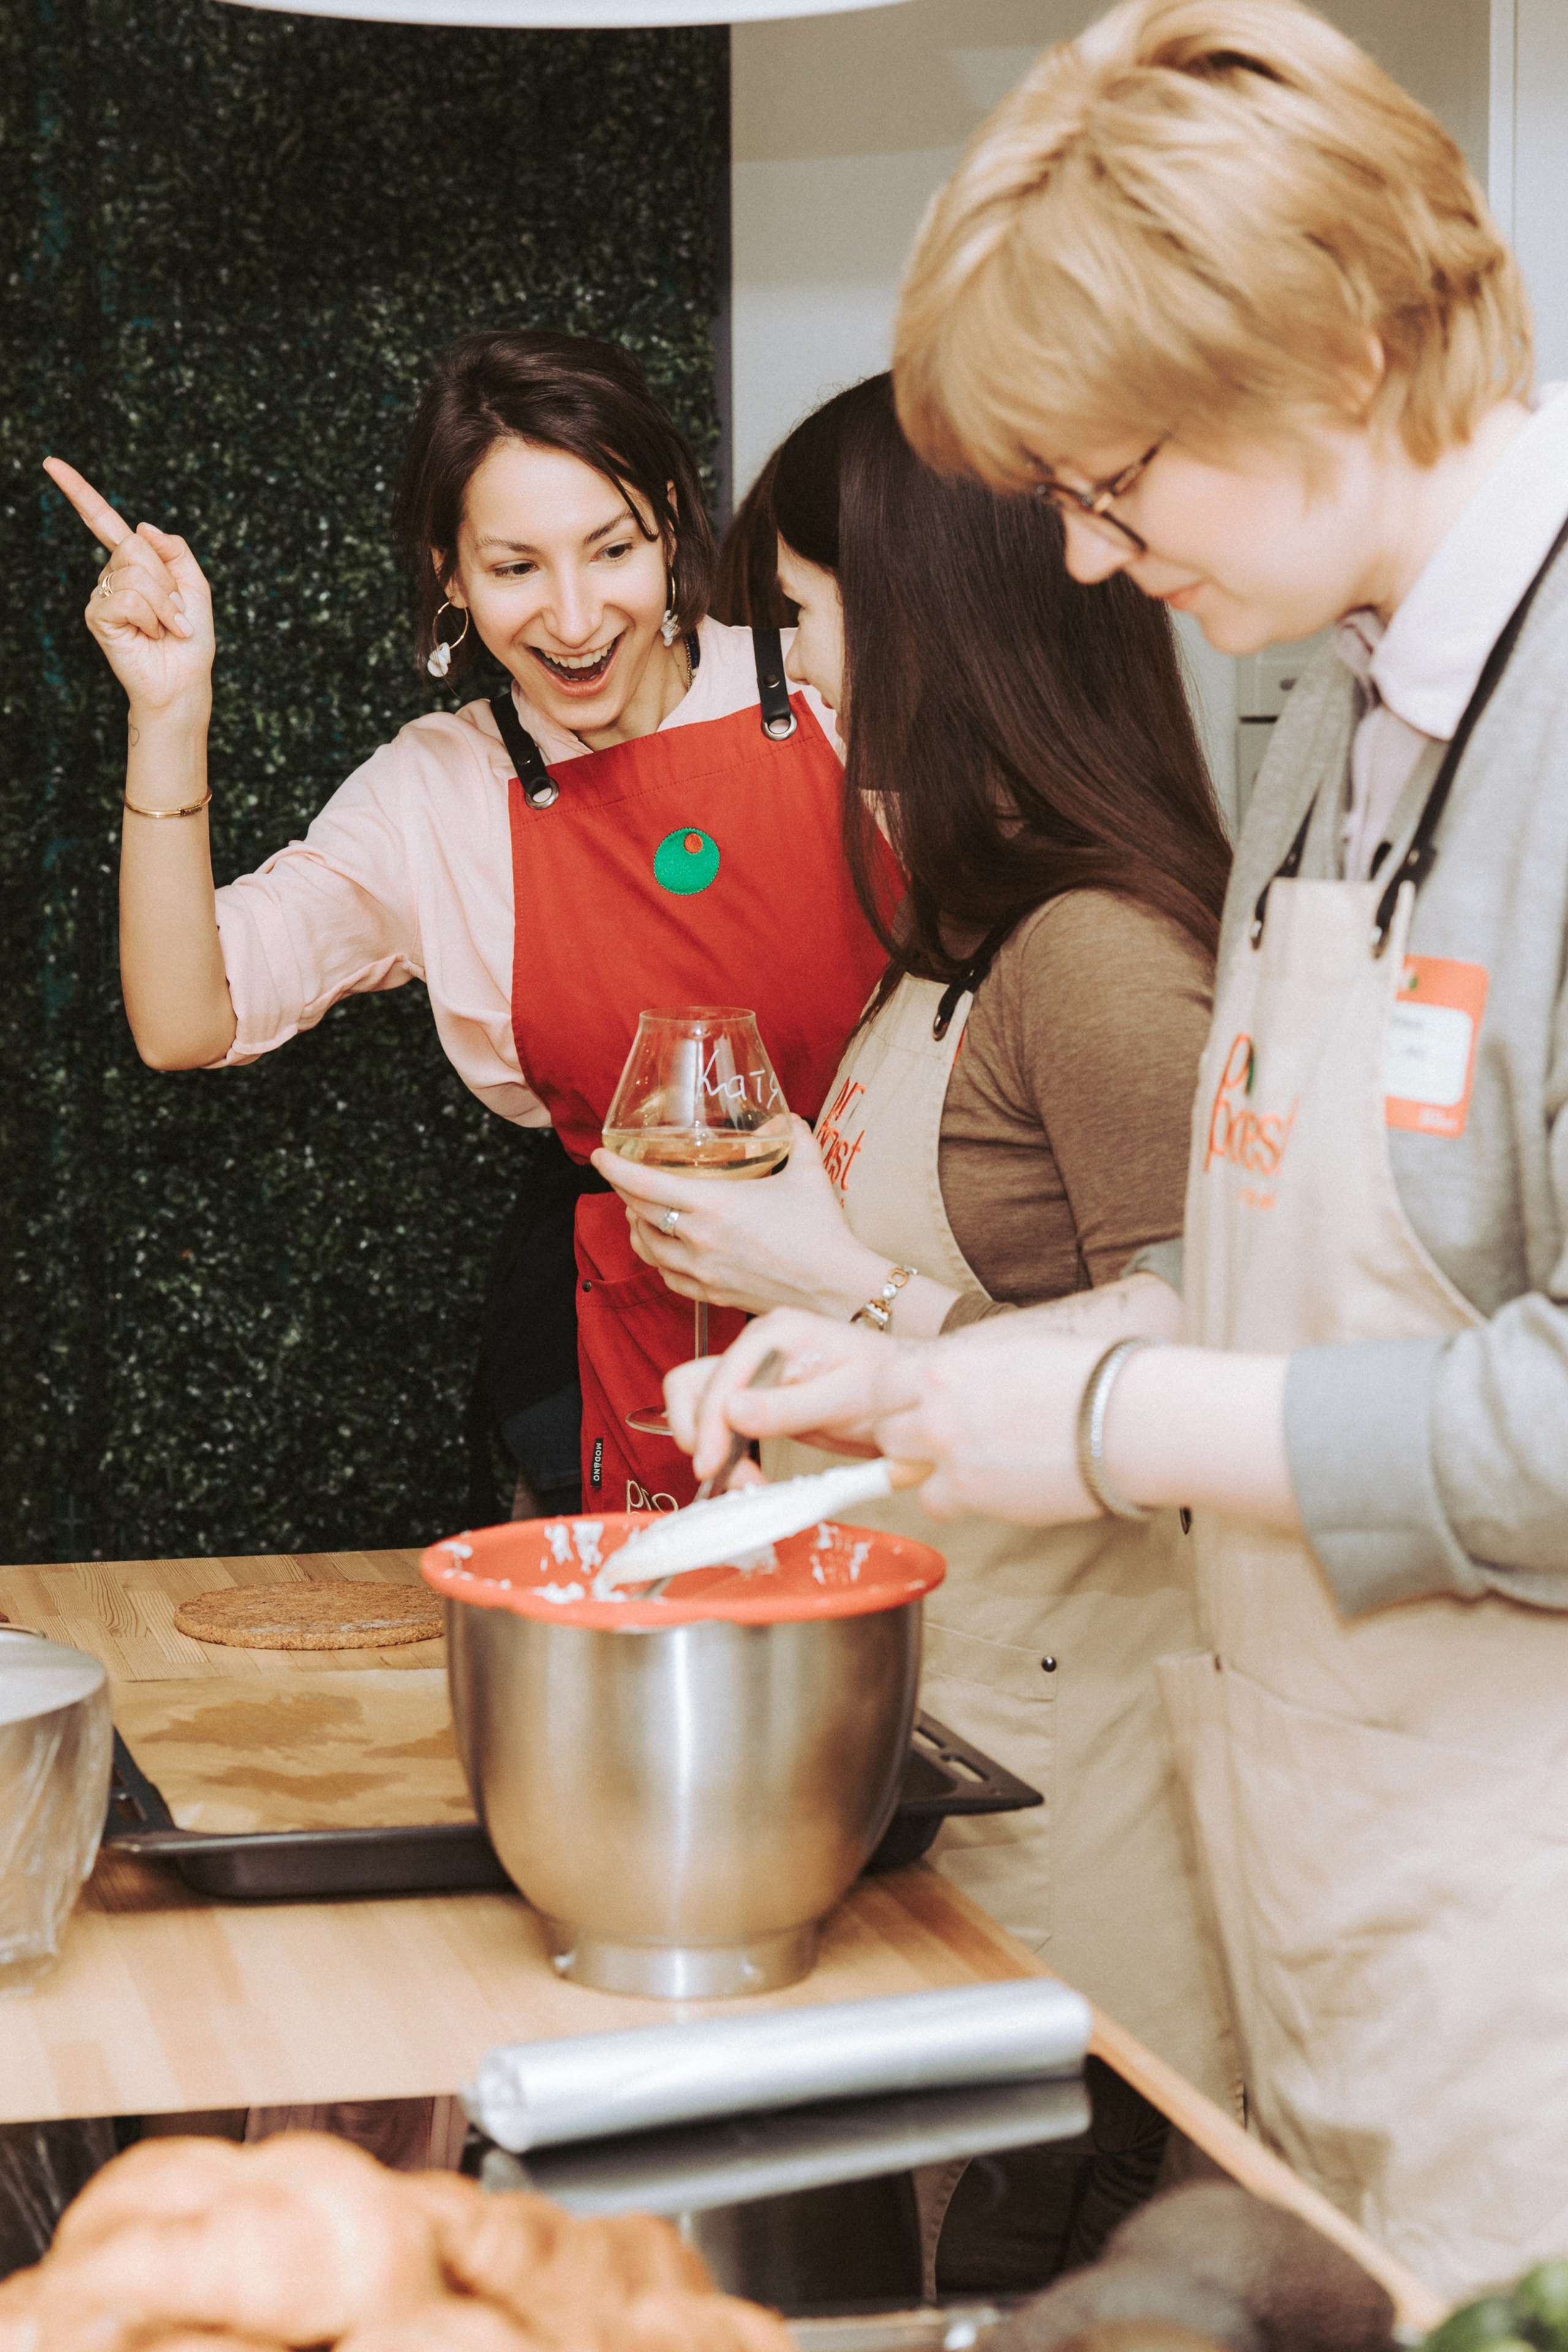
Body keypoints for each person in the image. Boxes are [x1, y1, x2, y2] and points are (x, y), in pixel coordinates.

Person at [668, 0, 1568, 2301]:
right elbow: (1297, 1286)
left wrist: (1105, 1420)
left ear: (1339, 351)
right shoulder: (1341, 715)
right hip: (1357, 1922)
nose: (1081, 563)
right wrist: (942, 1377)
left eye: (1115, 480)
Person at [596, 375, 1238, 2283]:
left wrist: (835, 1288)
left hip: (1080, 1802)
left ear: (939, 621)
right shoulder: (960, 933)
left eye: (810, 620)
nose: (800, 680)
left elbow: (1203, 1404)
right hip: (945, 1754)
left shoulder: (1102, 959)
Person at [45, 329, 888, 1518]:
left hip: (878, 1299)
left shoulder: (827, 683)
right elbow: (187, 1019)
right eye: (514, 567)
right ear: (449, 575)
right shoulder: (436, 791)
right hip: (630, 1349)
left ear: (667, 523)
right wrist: (170, 713)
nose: (576, 617)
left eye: (612, 549)